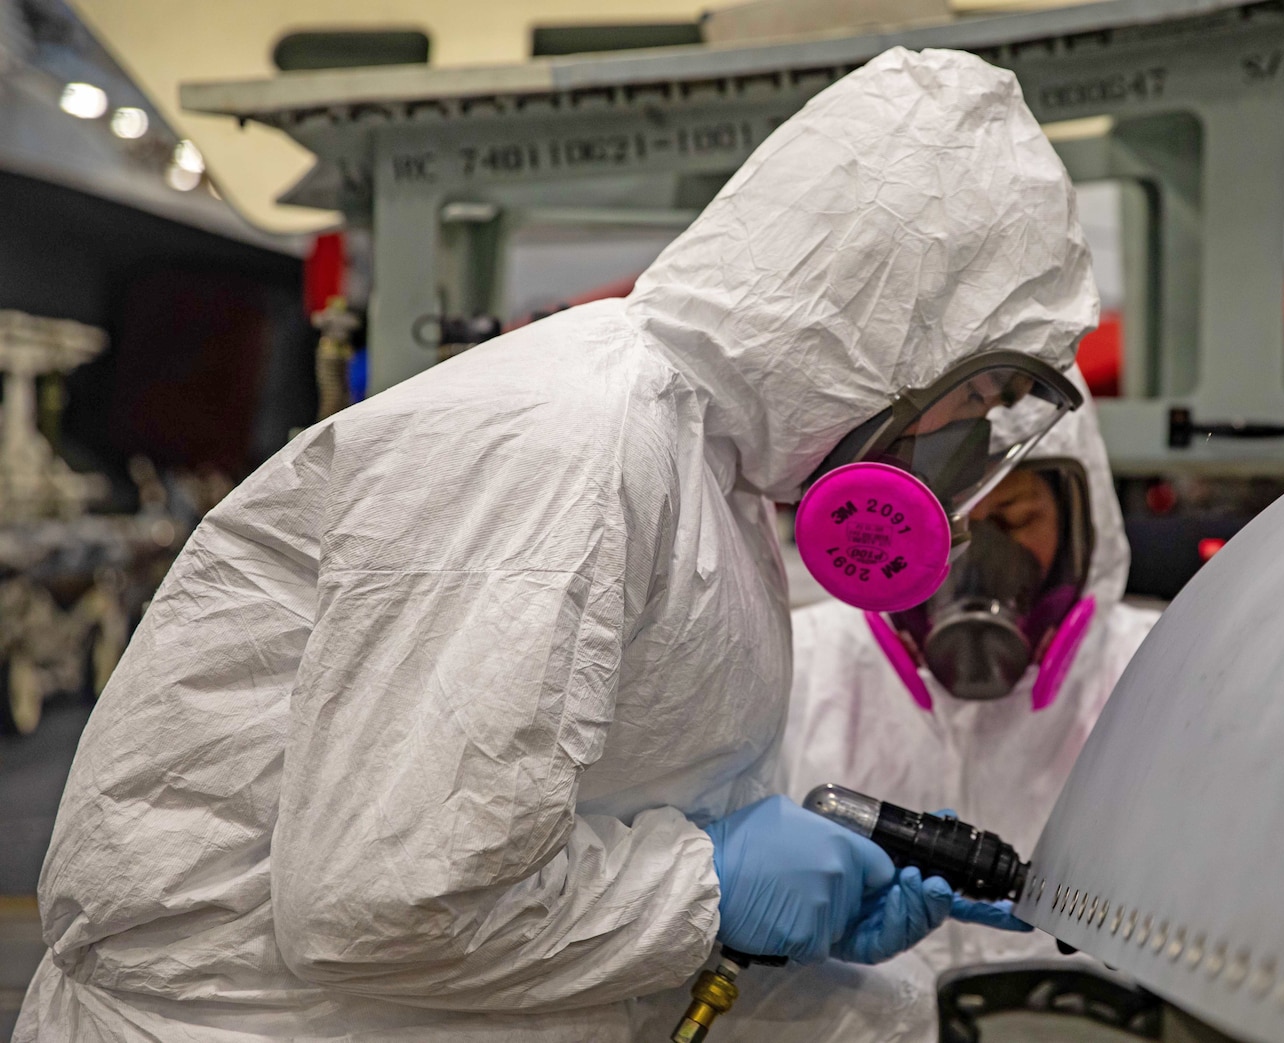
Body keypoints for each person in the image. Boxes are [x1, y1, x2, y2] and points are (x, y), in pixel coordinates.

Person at [17, 46, 1097, 1042]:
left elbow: (581, 809)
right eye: (978, 393)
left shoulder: (704, 468)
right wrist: (712, 886)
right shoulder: (564, 445)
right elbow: (387, 900)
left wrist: (777, 914)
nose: (957, 466)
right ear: (887, 331)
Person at [695, 370, 1158, 1042]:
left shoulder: (1152, 676)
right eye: (951, 522)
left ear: (1082, 529)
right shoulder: (799, 666)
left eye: (1016, 519)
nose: (980, 554)